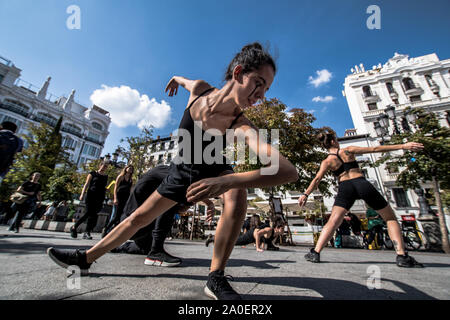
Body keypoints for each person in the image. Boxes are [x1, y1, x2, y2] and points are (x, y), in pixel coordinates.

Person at [47, 42, 298, 300]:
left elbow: (288, 170)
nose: (261, 95)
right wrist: (175, 80)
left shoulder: (241, 124)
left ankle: (216, 278)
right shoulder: (200, 89)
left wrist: (229, 181)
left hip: (214, 169)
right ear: (237, 73)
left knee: (237, 195)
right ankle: (86, 258)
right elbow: (183, 80)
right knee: (138, 218)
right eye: (258, 83)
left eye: (266, 89)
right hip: (181, 169)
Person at [298, 127, 424, 268]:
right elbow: (375, 149)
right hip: (361, 183)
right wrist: (403, 146)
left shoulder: (327, 161)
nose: (338, 142)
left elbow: (317, 179)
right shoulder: (348, 150)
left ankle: (315, 252)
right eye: (337, 140)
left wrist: (305, 194)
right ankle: (401, 255)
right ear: (333, 141)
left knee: (333, 221)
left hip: (345, 187)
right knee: (390, 218)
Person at [70, 161, 109, 240]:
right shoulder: (92, 173)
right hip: (91, 195)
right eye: (103, 165)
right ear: (100, 165)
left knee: (94, 215)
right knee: (88, 213)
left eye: (106, 166)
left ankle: (87, 232)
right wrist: (82, 194)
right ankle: (75, 227)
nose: (104, 167)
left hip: (100, 196)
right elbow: (86, 184)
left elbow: (104, 186)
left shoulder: (106, 176)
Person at [206, 215, 285, 252]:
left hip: (254, 237)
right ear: (277, 228)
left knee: (232, 242)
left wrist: (271, 247)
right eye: (282, 228)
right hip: (251, 235)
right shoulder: (269, 230)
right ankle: (214, 238)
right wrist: (258, 247)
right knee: (234, 242)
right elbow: (258, 234)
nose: (283, 230)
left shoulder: (276, 234)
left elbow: (267, 241)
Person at [102, 165, 134, 237]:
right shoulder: (121, 177)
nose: (130, 170)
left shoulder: (131, 179)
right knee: (116, 216)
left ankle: (115, 232)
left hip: (126, 198)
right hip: (119, 197)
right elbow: (116, 187)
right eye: (129, 168)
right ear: (126, 169)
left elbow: (131, 190)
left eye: (132, 169)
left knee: (121, 216)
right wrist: (115, 198)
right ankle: (106, 229)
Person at [0, 121, 24, 186]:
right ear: (14, 131)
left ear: (1, 127)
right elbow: (17, 155)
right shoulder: (19, 141)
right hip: (3, 170)